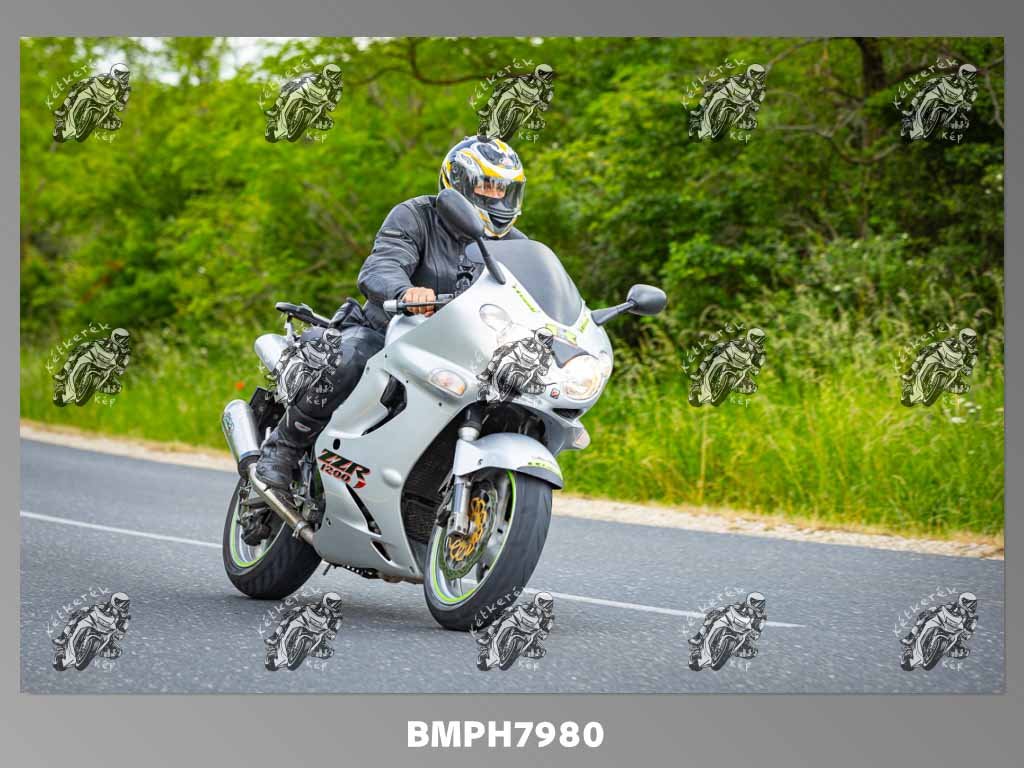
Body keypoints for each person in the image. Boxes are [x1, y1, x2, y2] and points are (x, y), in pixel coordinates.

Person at [252, 136, 528, 495]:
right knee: (353, 355)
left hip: (463, 354)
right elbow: (382, 264)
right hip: (391, 334)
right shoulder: (417, 216)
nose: (496, 198)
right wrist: (404, 291)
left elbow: (532, 297)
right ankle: (282, 449)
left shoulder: (517, 246)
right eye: (486, 186)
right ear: (459, 182)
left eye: (504, 190)